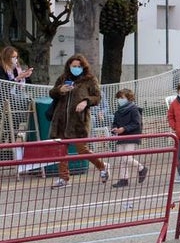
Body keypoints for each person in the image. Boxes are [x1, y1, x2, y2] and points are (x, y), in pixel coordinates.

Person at [47, 53, 108, 189]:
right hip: (61, 120)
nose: (76, 68)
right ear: (69, 66)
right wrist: (60, 90)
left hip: (79, 121)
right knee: (61, 151)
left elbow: (97, 97)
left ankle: (102, 167)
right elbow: (52, 93)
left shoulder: (90, 80)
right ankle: (63, 178)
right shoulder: (63, 78)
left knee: (82, 149)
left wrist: (86, 102)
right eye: (74, 66)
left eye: (79, 66)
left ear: (83, 67)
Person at [108, 88, 147, 188]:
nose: (120, 100)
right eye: (119, 98)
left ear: (129, 98)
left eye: (122, 98)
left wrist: (124, 129)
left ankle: (141, 168)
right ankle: (123, 179)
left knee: (127, 158)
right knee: (122, 159)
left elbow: (136, 124)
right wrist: (114, 128)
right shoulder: (118, 112)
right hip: (121, 137)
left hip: (132, 136)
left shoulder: (134, 110)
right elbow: (115, 123)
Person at [1, 46, 34, 141]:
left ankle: (13, 142)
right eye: (12, 57)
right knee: (7, 123)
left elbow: (26, 84)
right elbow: (5, 84)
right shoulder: (2, 68)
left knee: (16, 122)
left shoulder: (16, 68)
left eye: (16, 57)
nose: (15, 59)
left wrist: (26, 76)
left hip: (18, 99)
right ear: (7, 57)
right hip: (5, 99)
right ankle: (4, 142)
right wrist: (18, 78)